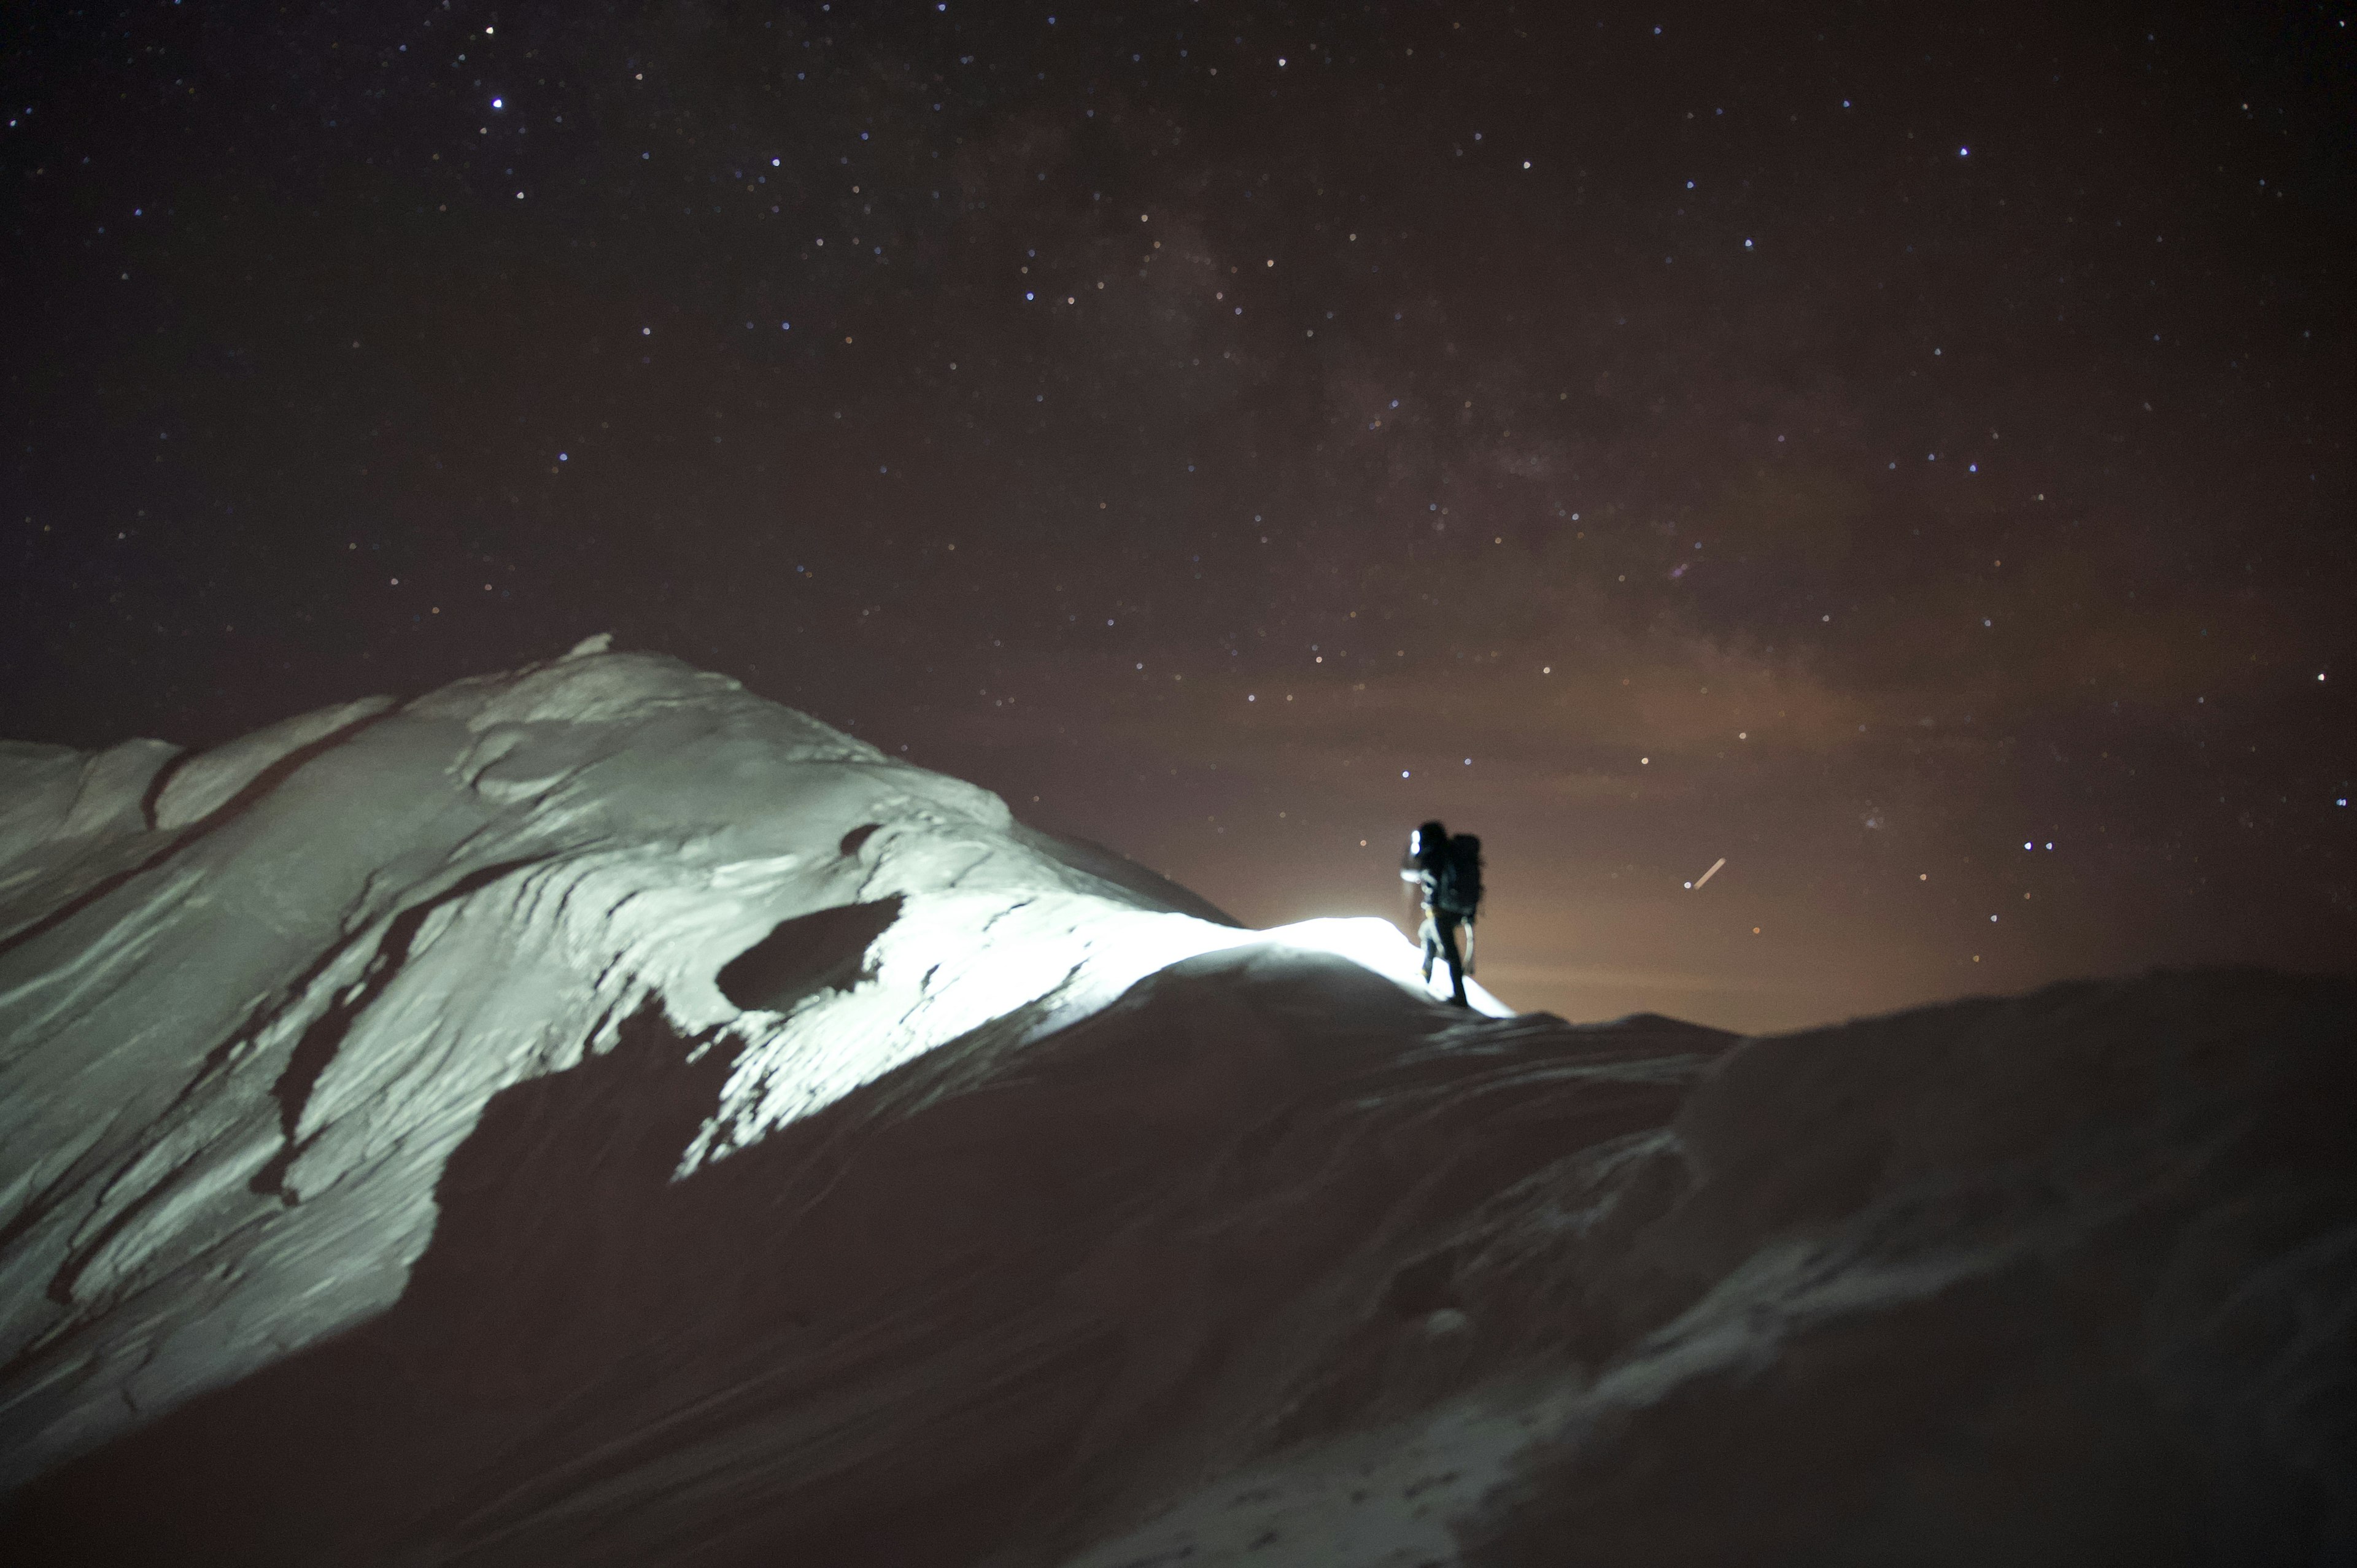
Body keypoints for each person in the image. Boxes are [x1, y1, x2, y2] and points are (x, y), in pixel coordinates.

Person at [1400, 819, 1480, 1006]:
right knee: (1426, 933)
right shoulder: (1449, 854)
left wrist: (1411, 852)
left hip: (1440, 911)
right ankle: (1426, 972)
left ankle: (1460, 997)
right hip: (1454, 912)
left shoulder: (1434, 856)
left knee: (1450, 951)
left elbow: (1410, 873)